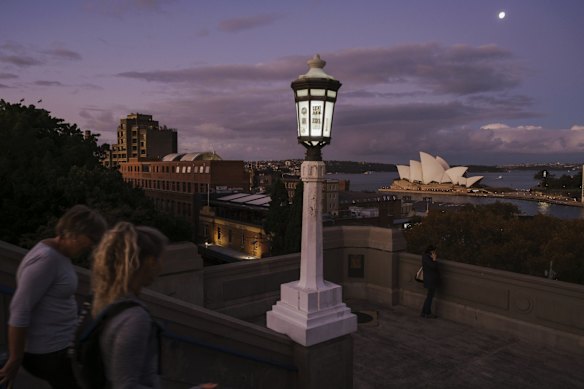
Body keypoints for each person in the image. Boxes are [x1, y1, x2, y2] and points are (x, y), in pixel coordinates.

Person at [0, 205, 107, 389]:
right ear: (75, 232)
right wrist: (15, 358)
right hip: (49, 352)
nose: (92, 245)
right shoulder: (45, 260)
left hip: (61, 345)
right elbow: (20, 310)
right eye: (91, 238)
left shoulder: (59, 254)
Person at [91, 222, 168, 388]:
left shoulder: (105, 302)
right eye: (158, 259)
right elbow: (125, 385)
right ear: (148, 262)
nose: (161, 267)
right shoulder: (135, 318)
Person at [420, 245, 440, 319]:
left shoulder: (425, 256)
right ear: (431, 250)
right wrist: (434, 259)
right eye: (434, 251)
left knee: (429, 296)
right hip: (430, 280)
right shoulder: (427, 257)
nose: (435, 252)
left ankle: (423, 312)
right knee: (430, 297)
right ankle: (427, 313)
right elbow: (433, 267)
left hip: (429, 279)